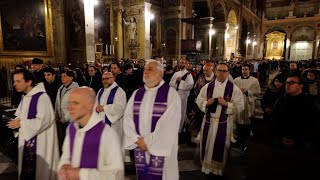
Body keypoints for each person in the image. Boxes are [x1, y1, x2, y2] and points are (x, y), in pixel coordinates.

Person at [123, 60, 181, 180]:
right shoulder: (137, 94)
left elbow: (169, 125)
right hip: (140, 146)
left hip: (161, 147)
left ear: (160, 73)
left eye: (149, 69)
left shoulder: (171, 95)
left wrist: (147, 142)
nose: (145, 72)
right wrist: (136, 139)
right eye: (145, 69)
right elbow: (127, 118)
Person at [58, 87, 124, 180]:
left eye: (75, 103)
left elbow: (116, 174)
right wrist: (63, 166)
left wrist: (81, 174)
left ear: (89, 105)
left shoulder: (107, 134)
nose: (69, 108)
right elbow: (66, 156)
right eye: (69, 103)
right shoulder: (71, 128)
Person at [7, 69, 59, 180]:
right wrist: (14, 122)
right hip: (27, 141)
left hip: (40, 144)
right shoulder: (25, 97)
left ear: (29, 82)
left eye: (18, 81)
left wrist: (21, 123)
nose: (14, 84)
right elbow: (20, 116)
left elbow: (43, 120)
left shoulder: (42, 98)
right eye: (14, 81)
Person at [196, 63, 244, 178]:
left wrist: (227, 104)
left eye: (224, 71)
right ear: (215, 72)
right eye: (219, 71)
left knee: (221, 147)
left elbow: (240, 105)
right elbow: (199, 100)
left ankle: (218, 170)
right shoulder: (208, 87)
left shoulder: (234, 88)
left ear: (228, 73)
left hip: (224, 123)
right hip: (209, 122)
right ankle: (207, 167)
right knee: (207, 145)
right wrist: (206, 103)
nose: (222, 73)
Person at [270, 74, 320, 179]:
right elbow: (274, 120)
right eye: (287, 83)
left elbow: (313, 125)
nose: (287, 85)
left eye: (292, 83)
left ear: (301, 86)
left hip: (302, 142)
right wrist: (281, 137)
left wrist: (297, 139)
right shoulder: (281, 100)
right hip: (281, 140)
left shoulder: (310, 102)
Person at [233, 64, 261, 151]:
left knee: (247, 123)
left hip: (248, 103)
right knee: (239, 123)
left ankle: (246, 141)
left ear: (249, 70)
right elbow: (232, 91)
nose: (244, 71)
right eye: (243, 69)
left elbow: (257, 92)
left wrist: (247, 91)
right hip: (239, 103)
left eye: (246, 69)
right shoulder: (236, 80)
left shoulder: (254, 80)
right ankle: (239, 140)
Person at [55, 70, 79, 153]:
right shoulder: (61, 88)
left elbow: (74, 106)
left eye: (64, 76)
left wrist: (64, 119)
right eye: (61, 76)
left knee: (71, 140)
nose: (62, 78)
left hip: (70, 120)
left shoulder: (75, 89)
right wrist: (56, 116)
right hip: (61, 119)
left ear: (71, 78)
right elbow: (57, 103)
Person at [169, 58, 194, 133]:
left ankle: (179, 130)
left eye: (183, 63)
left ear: (186, 64)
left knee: (181, 113)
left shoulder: (188, 75)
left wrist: (181, 82)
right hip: (175, 96)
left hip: (183, 97)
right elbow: (170, 83)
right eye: (180, 62)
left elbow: (190, 86)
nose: (181, 64)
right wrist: (176, 81)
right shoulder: (176, 73)